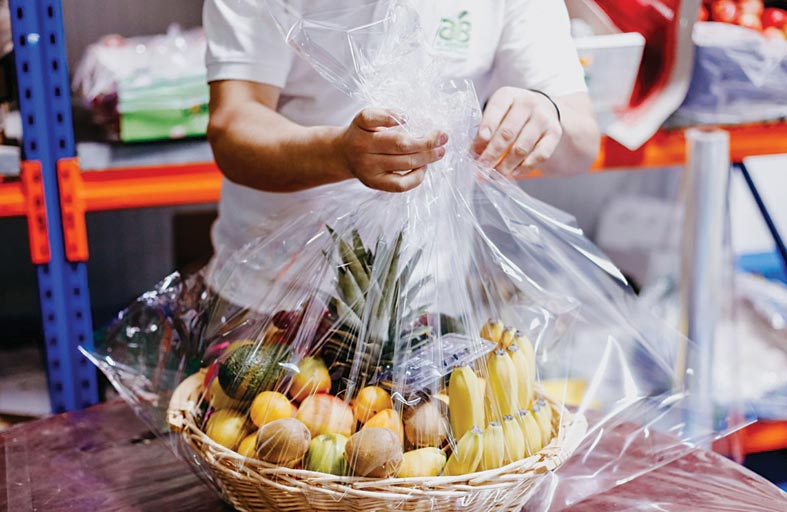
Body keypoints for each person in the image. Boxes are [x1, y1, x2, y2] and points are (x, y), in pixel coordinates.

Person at [203, 0, 600, 303]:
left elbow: (580, 143)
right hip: (269, 296)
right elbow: (234, 126)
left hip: (428, 301)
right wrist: (339, 154)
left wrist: (543, 114)